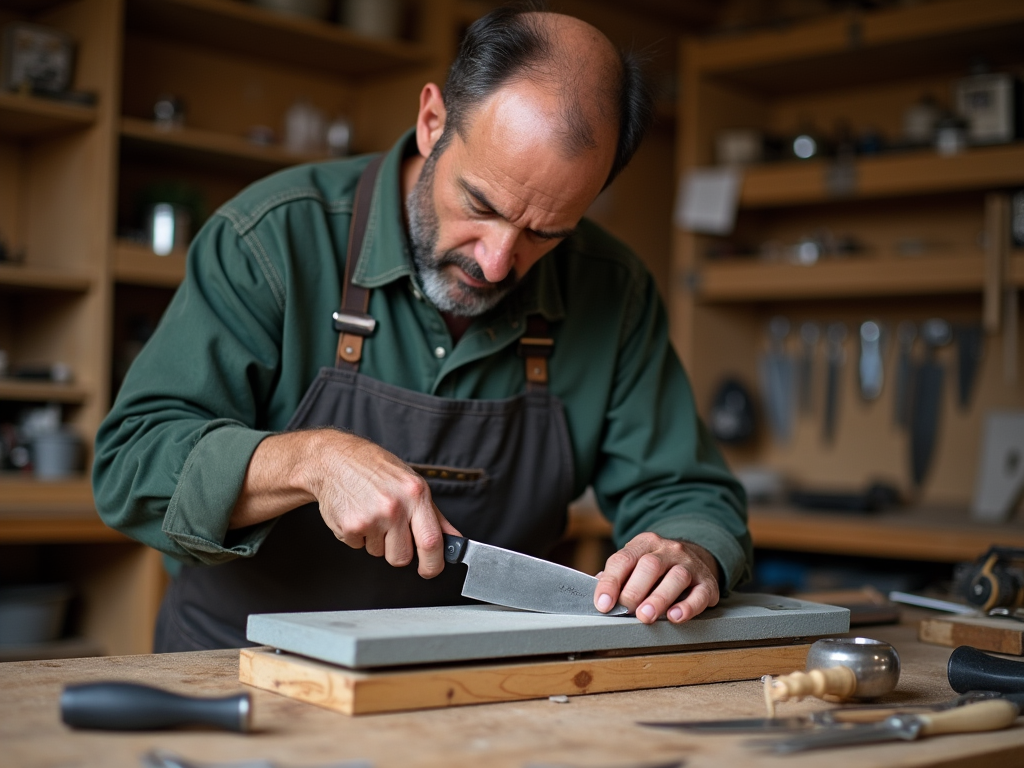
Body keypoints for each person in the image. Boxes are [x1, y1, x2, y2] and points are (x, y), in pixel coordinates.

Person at [93, 6, 752, 652]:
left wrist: (689, 550)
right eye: (481, 204)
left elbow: (685, 491)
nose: (495, 262)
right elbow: (131, 465)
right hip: (240, 671)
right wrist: (308, 462)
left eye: (545, 233)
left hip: (472, 683)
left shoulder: (613, 288)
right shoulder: (273, 237)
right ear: (433, 120)